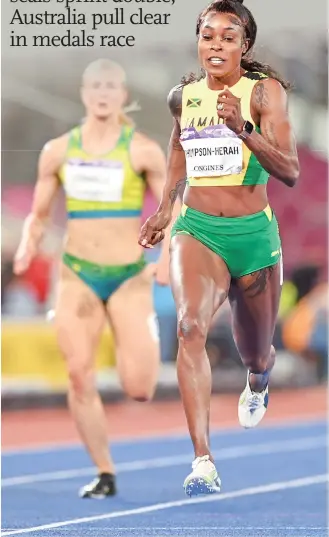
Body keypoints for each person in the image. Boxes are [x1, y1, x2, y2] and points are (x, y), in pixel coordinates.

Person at [139, 0, 299, 497]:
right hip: (199, 229)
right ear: (199, 42)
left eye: (229, 37)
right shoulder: (182, 97)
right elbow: (178, 148)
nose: (217, 45)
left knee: (256, 351)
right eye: (209, 35)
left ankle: (258, 378)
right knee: (190, 328)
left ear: (244, 45)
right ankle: (202, 460)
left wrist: (243, 130)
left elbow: (290, 169)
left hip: (253, 236)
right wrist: (167, 207)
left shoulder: (263, 93)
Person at [13, 58, 176, 499]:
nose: (103, 93)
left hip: (127, 277)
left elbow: (171, 210)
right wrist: (30, 243)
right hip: (77, 275)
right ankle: (105, 471)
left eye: (111, 85)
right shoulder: (58, 150)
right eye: (95, 85)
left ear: (123, 95)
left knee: (139, 388)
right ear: (84, 94)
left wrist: (165, 258)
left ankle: (121, 423)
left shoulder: (141, 149)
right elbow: (40, 213)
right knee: (79, 375)